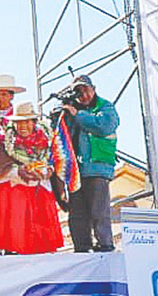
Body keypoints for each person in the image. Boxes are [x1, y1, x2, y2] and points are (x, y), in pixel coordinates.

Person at [0, 102, 63, 255]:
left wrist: (49, 170)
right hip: (15, 193)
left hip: (40, 193)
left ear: (34, 122)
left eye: (27, 121)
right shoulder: (5, 143)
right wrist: (17, 171)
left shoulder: (46, 142)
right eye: (18, 122)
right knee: (15, 227)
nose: (23, 126)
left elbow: (56, 161)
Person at [62, 74, 120, 252]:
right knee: (77, 213)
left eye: (86, 90)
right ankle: (81, 248)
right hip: (76, 171)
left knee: (99, 211)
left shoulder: (105, 107)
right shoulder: (72, 111)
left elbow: (104, 125)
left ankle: (105, 245)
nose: (84, 96)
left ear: (93, 89)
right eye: (78, 93)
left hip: (97, 168)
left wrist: (77, 114)